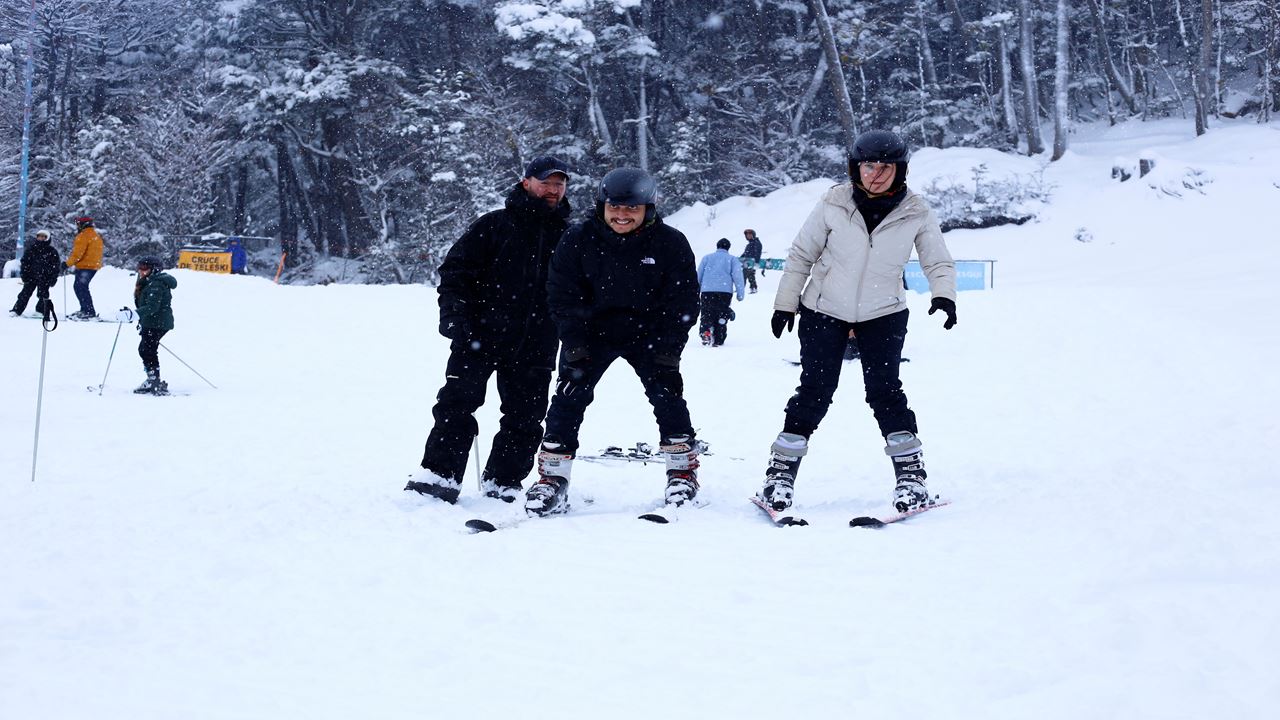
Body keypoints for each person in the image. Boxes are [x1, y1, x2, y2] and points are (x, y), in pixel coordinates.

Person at [759, 129, 957, 514]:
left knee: (886, 392)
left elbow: (937, 259)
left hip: (883, 313)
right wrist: (785, 304)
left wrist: (944, 294)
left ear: (900, 170)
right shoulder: (833, 202)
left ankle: (910, 477)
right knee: (814, 391)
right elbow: (802, 254)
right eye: (869, 166)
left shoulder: (916, 210)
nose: (876, 174)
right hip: (823, 311)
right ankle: (780, 473)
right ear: (856, 167)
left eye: (886, 167)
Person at [525, 167, 700, 516]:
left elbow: (682, 300)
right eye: (615, 208)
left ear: (648, 209)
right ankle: (552, 477)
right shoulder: (578, 239)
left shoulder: (671, 243)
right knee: (568, 399)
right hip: (592, 333)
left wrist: (669, 348)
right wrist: (574, 343)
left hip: (649, 334)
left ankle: (682, 471)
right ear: (602, 206)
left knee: (667, 395)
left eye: (631, 208)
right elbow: (562, 294)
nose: (622, 215)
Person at [405, 155, 572, 504]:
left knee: (525, 417)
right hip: (478, 335)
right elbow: (455, 272)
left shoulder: (570, 236)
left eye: (560, 184)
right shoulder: (494, 225)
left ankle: (504, 482)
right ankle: (439, 476)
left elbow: (582, 289)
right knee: (456, 405)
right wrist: (454, 315)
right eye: (546, 182)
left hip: (537, 342)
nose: (553, 190)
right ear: (526, 183)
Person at [133, 256, 178, 395]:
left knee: (147, 349)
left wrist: (134, 314)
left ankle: (154, 381)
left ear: (154, 269)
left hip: (158, 323)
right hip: (152, 322)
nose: (141, 271)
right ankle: (152, 379)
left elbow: (152, 307)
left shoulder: (156, 284)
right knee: (145, 349)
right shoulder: (147, 281)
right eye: (139, 267)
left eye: (145, 268)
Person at [696, 238, 745, 346]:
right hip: (725, 292)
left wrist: (696, 289)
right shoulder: (732, 259)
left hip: (707, 291)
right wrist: (740, 294)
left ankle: (706, 331)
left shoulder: (707, 258)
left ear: (717, 246)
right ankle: (719, 337)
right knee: (722, 314)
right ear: (728, 247)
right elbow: (738, 277)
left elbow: (698, 274)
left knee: (706, 312)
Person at [9, 230, 62, 318]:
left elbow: (56, 266)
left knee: (43, 295)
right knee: (25, 294)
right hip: (31, 276)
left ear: (47, 238)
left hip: (45, 277)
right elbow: (25, 263)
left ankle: (40, 311)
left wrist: (53, 277)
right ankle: (17, 310)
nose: (41, 238)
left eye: (43, 236)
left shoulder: (52, 251)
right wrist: (24, 275)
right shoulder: (31, 249)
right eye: (39, 236)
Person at [66, 216, 104, 319]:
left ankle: (88, 311)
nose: (77, 226)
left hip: (85, 266)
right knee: (81, 287)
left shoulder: (83, 236)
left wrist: (67, 264)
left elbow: (77, 254)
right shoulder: (95, 235)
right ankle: (86, 309)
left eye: (78, 224)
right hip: (93, 266)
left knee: (80, 287)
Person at [741, 228, 764, 293]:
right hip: (748, 262)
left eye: (750, 234)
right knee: (751, 275)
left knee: (744, 274)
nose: (748, 236)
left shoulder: (756, 242)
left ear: (753, 235)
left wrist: (756, 262)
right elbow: (745, 254)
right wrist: (739, 259)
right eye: (747, 235)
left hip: (752, 262)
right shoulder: (749, 244)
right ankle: (753, 288)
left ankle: (740, 288)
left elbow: (758, 253)